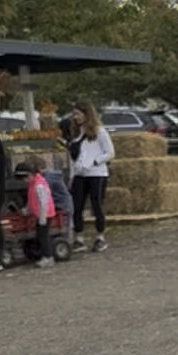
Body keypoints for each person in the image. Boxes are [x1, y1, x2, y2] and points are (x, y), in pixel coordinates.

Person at [65, 102, 114, 251]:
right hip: (80, 174)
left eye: (78, 114)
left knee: (96, 203)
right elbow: (74, 158)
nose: (76, 117)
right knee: (77, 205)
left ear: (87, 114)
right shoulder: (76, 134)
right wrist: (72, 176)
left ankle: (100, 237)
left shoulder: (100, 132)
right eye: (74, 114)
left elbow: (110, 153)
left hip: (96, 173)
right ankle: (79, 238)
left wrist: (94, 162)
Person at [23, 153, 56, 267]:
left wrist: (42, 217)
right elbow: (31, 199)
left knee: (44, 235)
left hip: (45, 214)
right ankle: (45, 255)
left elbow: (43, 202)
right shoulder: (33, 184)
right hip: (40, 214)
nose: (25, 180)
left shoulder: (39, 185)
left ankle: (48, 256)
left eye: (26, 177)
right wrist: (28, 210)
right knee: (40, 234)